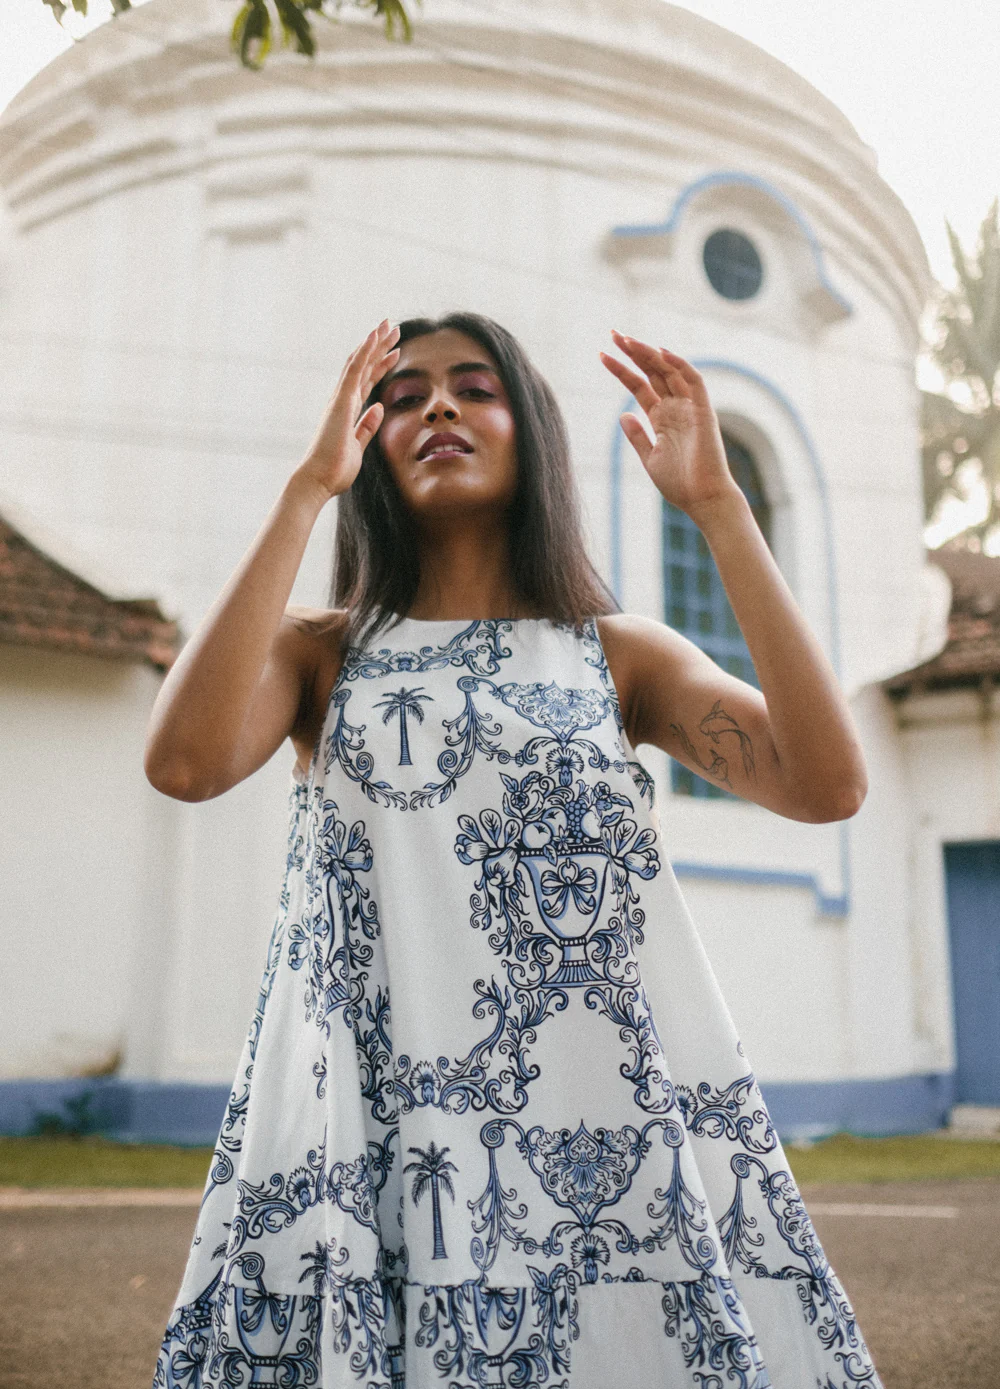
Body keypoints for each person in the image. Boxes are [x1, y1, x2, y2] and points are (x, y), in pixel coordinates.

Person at [146, 312, 881, 1388]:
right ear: (368, 445)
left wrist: (720, 510)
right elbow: (185, 763)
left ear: (529, 430)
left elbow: (826, 784)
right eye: (402, 397)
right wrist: (307, 489)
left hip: (595, 1116)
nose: (437, 405)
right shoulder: (318, 654)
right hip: (375, 1116)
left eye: (473, 387)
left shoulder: (617, 657)